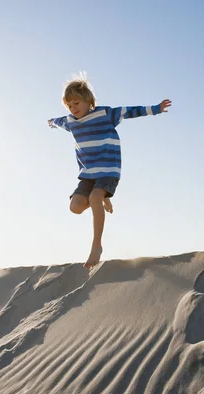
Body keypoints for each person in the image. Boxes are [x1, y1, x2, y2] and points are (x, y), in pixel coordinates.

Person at [48, 74, 172, 268]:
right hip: (88, 174)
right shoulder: (70, 121)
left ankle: (96, 245)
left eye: (76, 102)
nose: (73, 108)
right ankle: (102, 198)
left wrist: (156, 109)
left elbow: (129, 111)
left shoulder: (104, 114)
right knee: (75, 207)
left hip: (108, 169)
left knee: (95, 197)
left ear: (89, 101)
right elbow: (58, 121)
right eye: (69, 105)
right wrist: (52, 123)